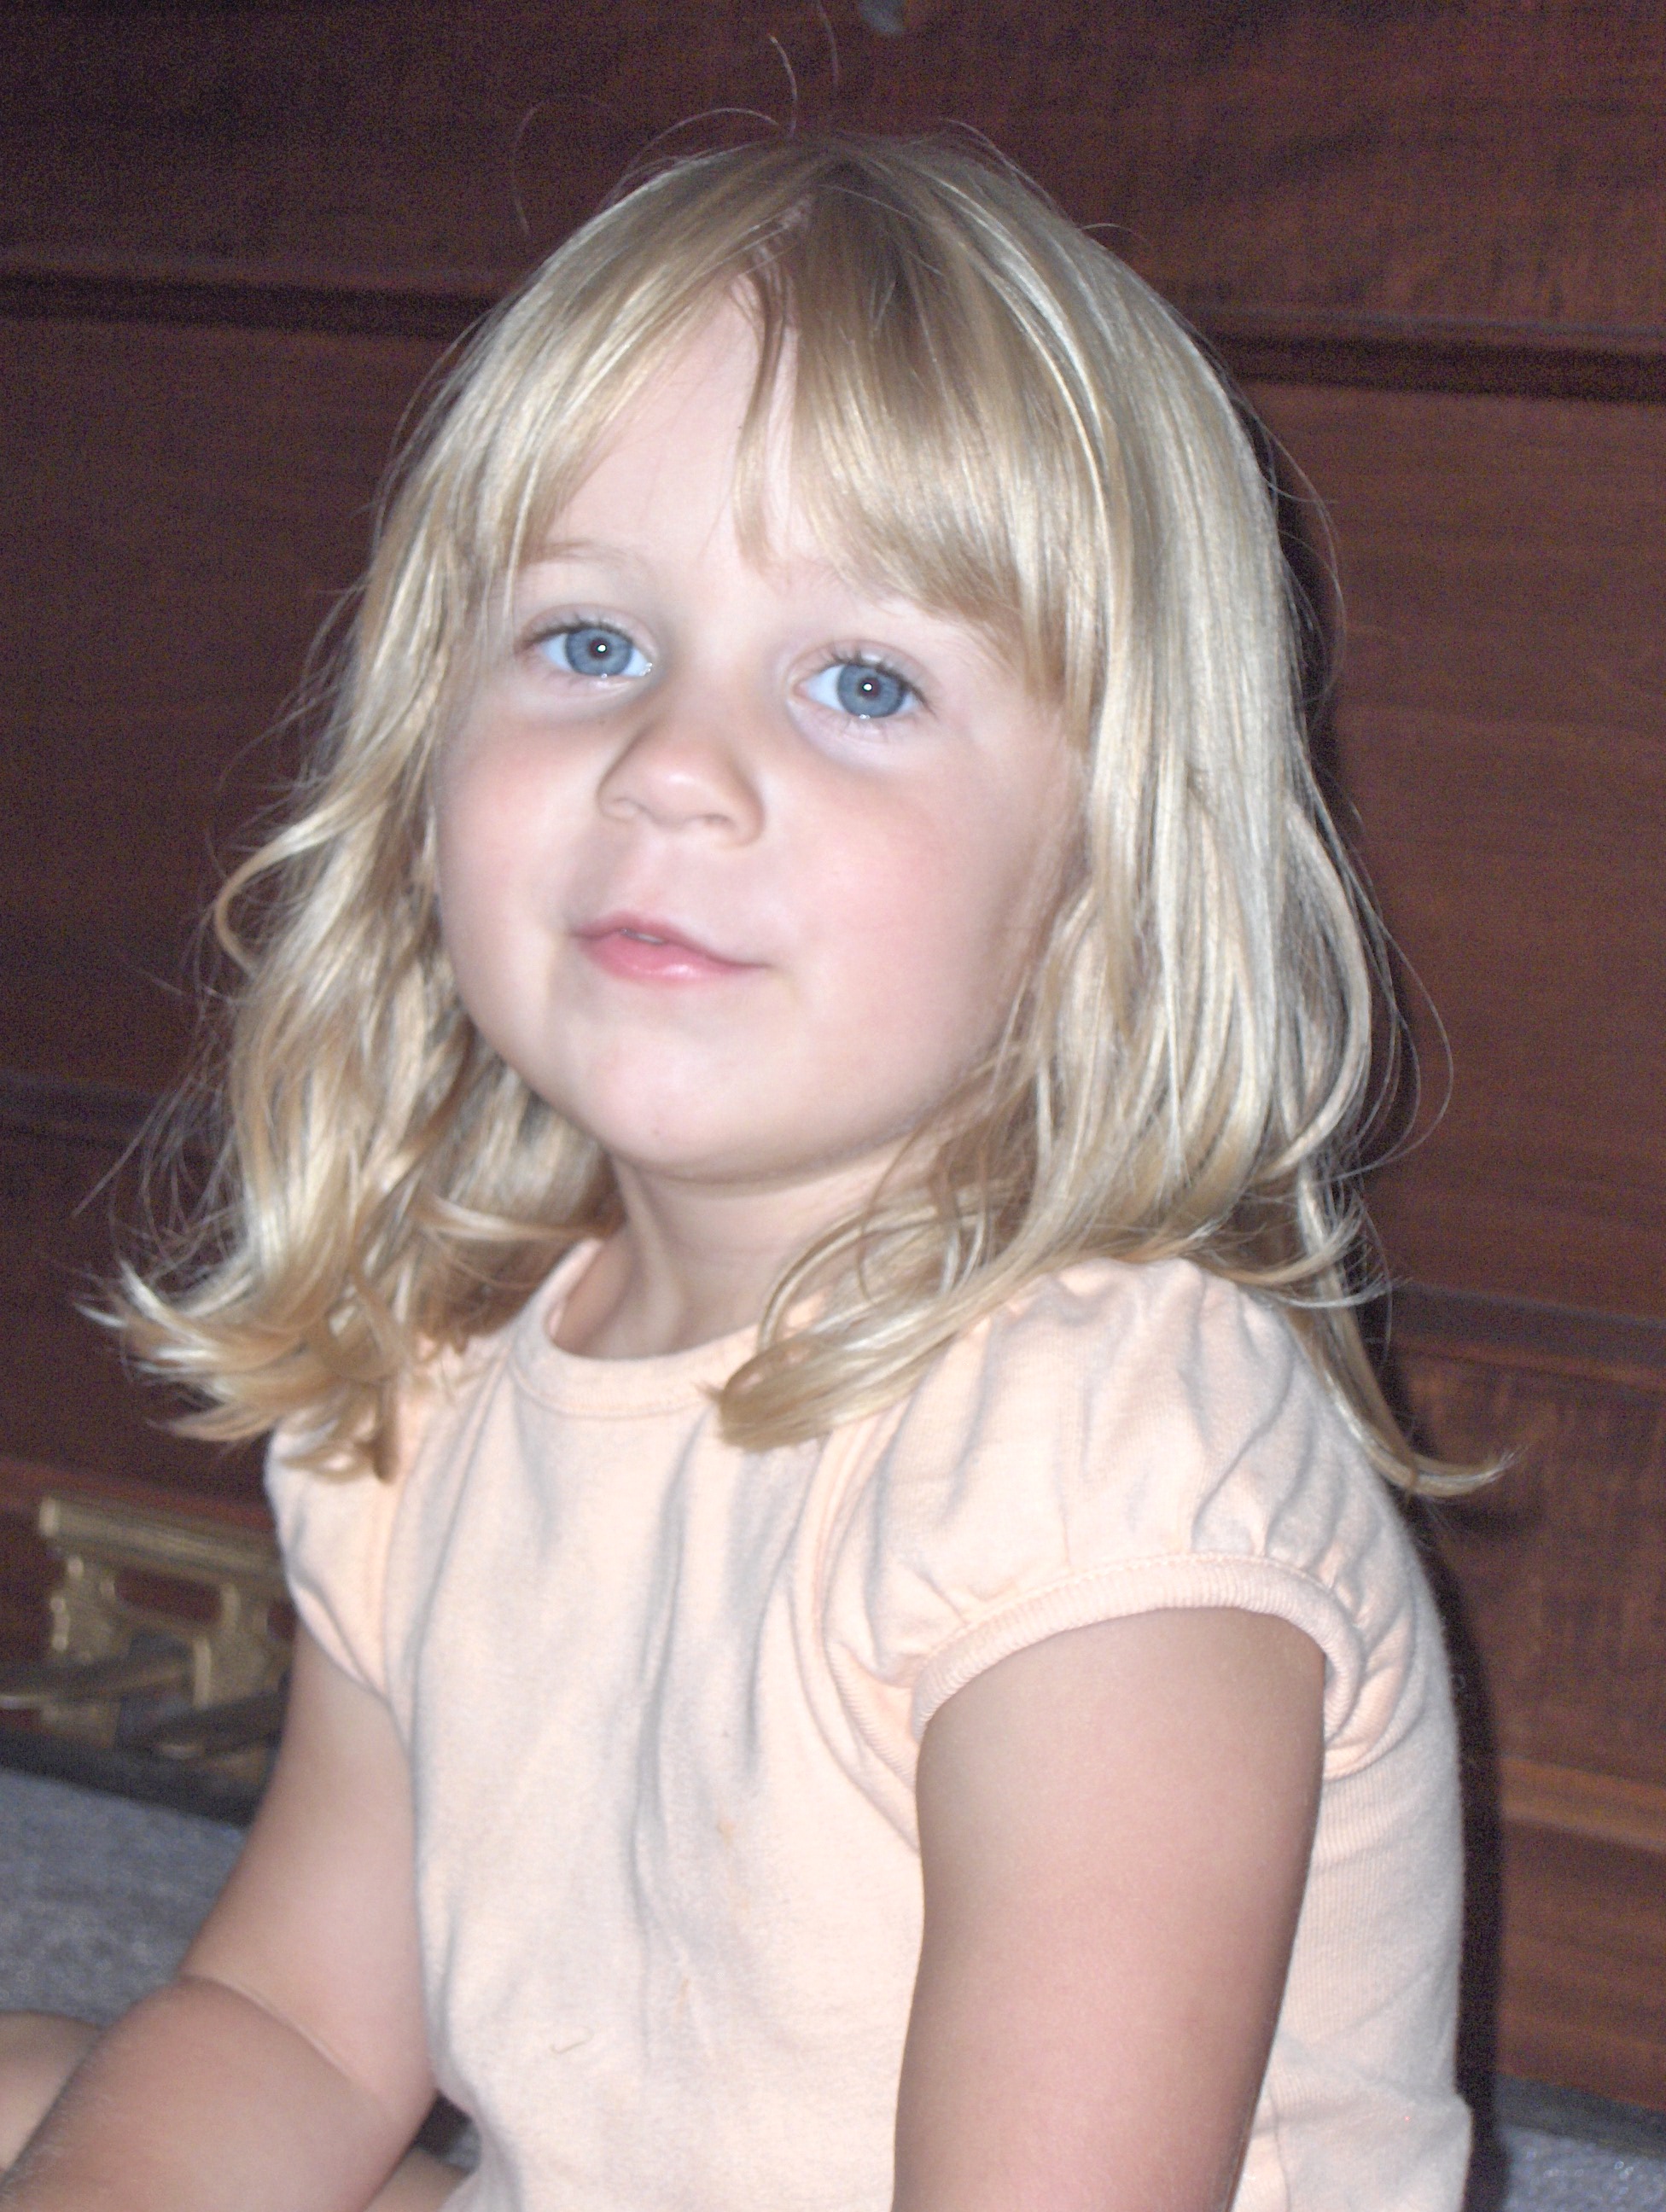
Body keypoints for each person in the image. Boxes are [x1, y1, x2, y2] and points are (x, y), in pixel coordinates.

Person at [0, 134, 1473, 2211]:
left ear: (1101, 872)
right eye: (591, 644)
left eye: (862, 684)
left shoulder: (1104, 1456)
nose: (672, 767)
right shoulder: (445, 1375)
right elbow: (296, 2027)